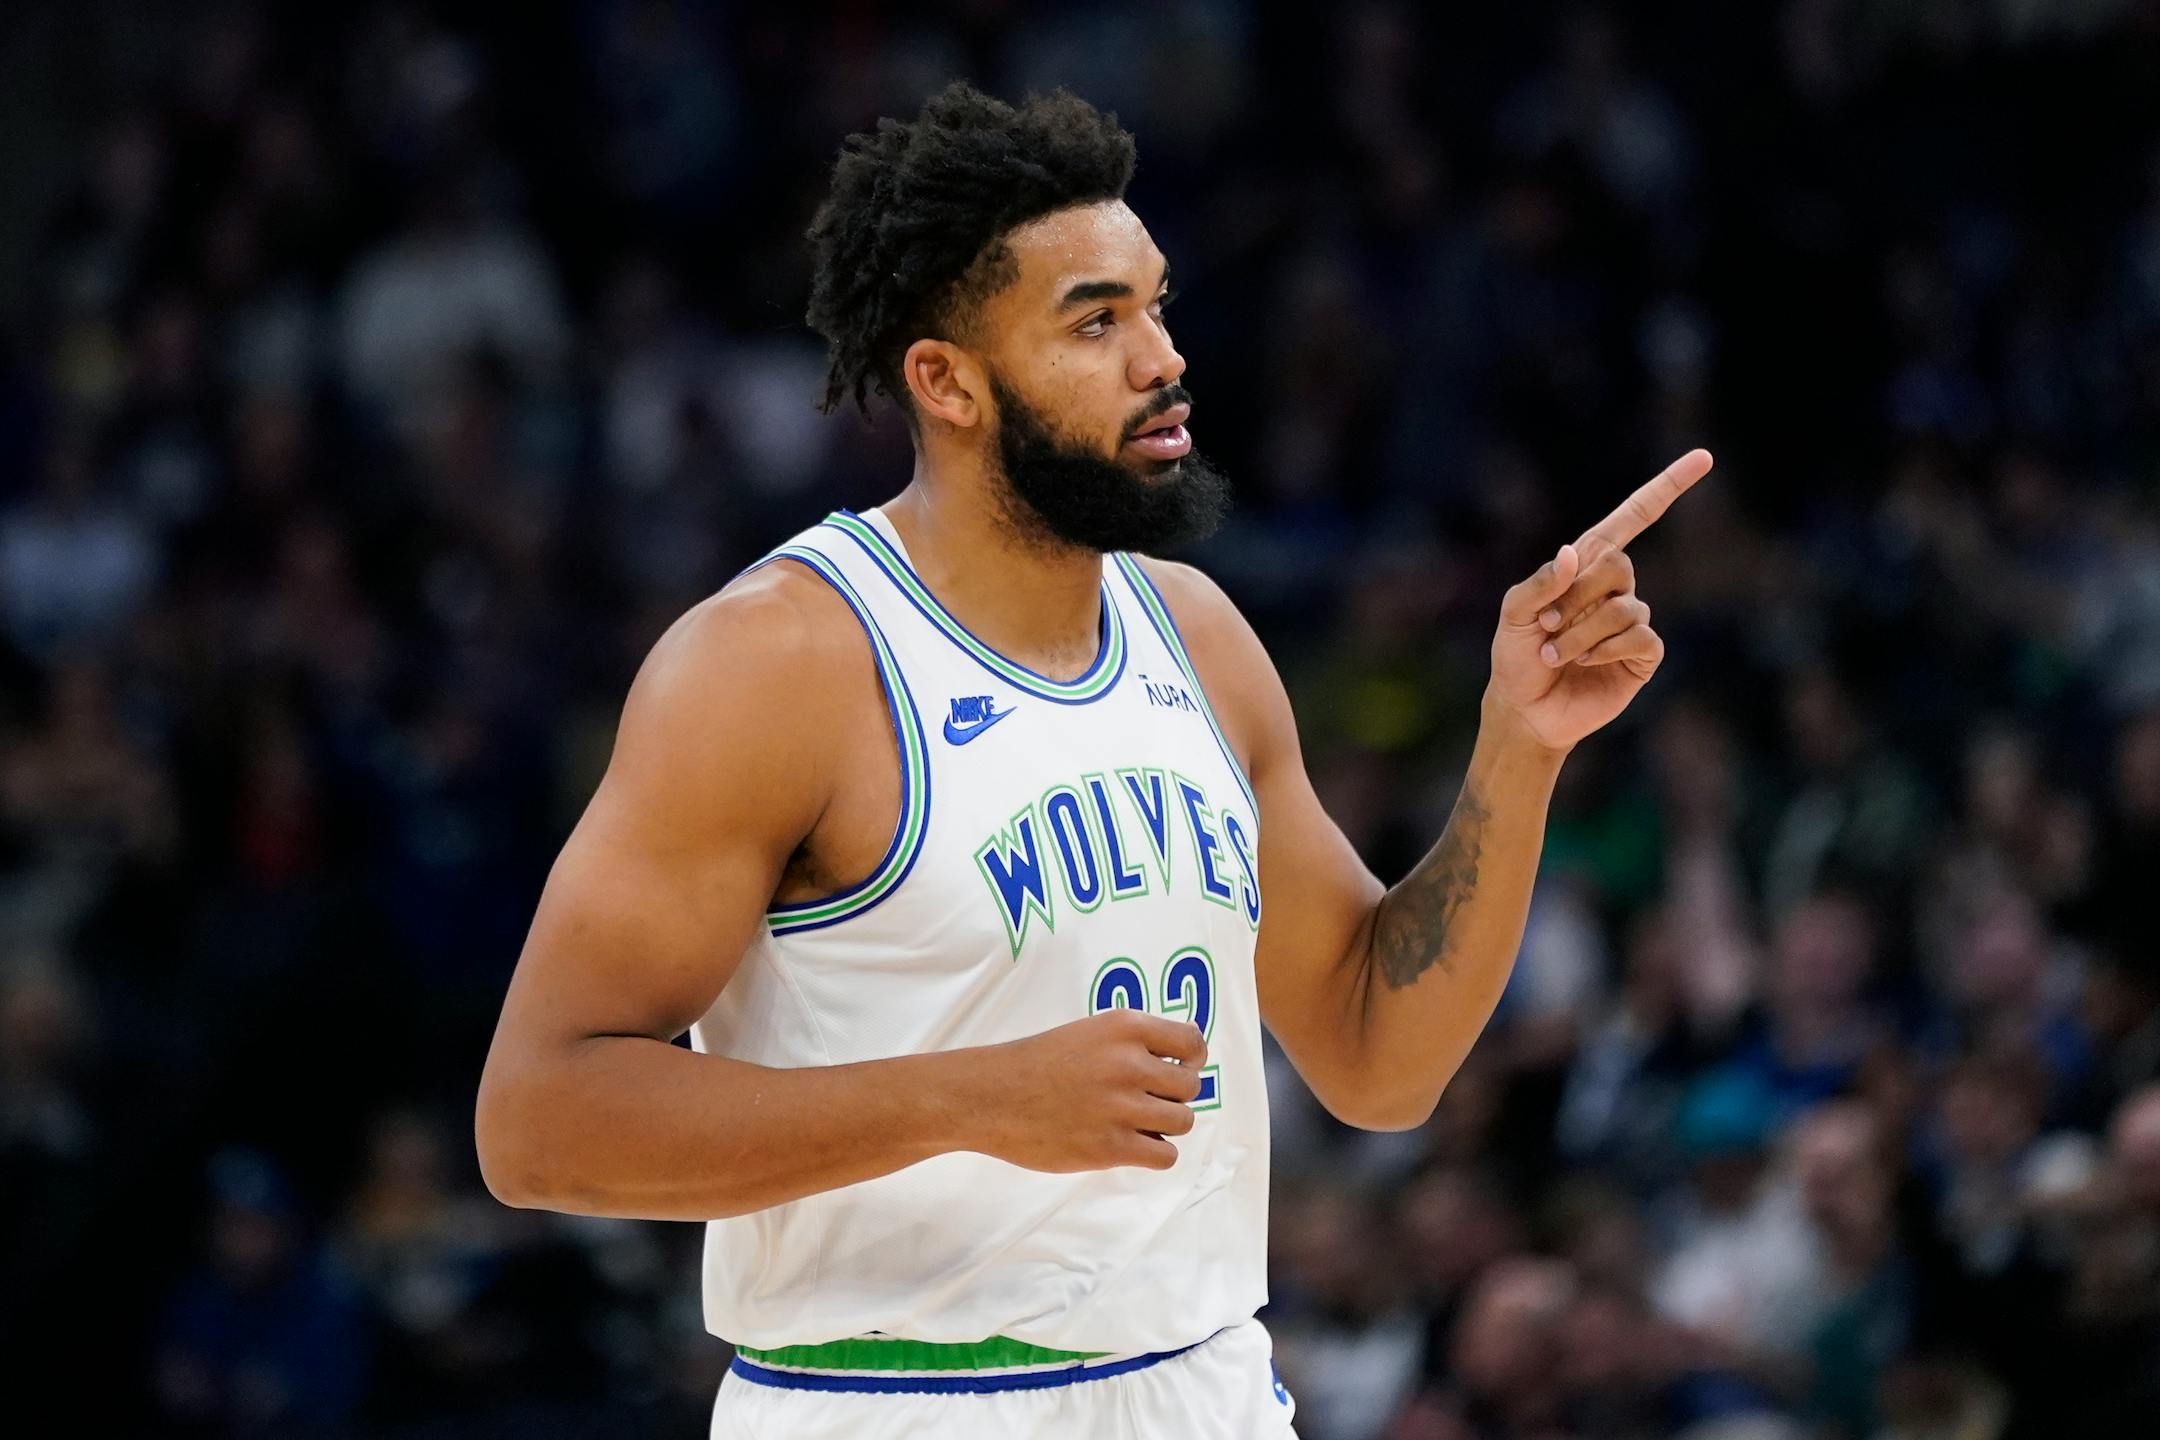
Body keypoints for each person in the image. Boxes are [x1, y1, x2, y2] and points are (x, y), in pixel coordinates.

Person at [474, 81, 1708, 1439]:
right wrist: (969, 1099)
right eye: (1096, 322)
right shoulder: (777, 663)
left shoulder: (1198, 635)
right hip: (893, 1402)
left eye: (1157, 306)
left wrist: (1519, 748)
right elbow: (538, 1124)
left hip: (1201, 1385)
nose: (1162, 358)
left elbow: (1377, 1058)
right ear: (946, 380)